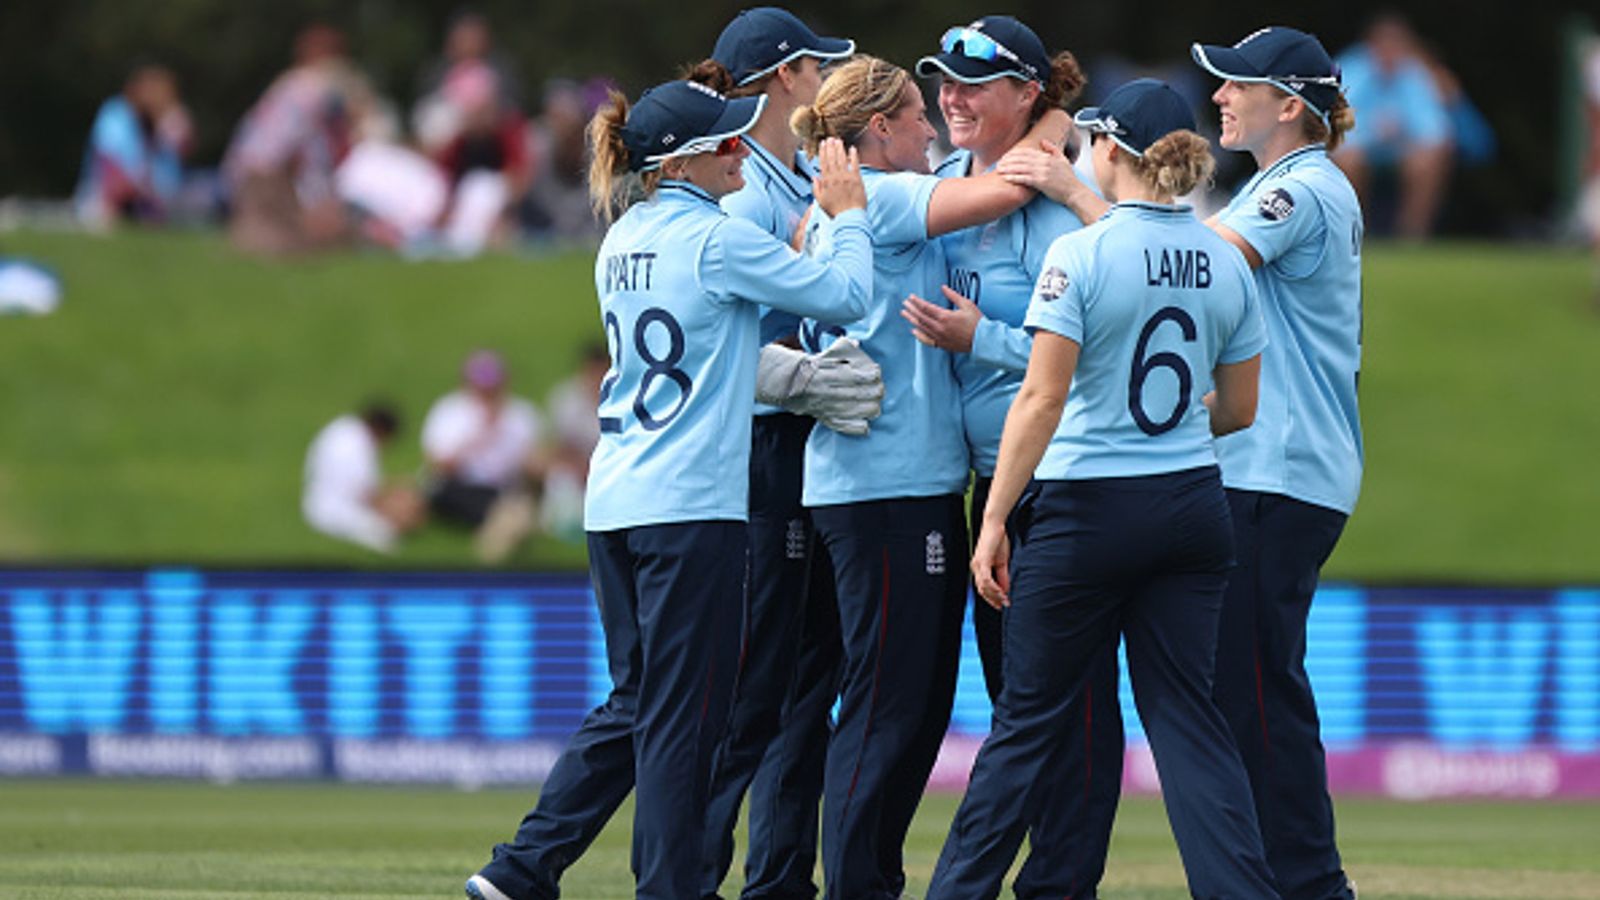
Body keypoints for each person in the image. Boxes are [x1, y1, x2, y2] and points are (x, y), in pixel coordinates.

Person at [464, 78, 876, 900]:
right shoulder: (715, 238)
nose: (740, 153)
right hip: (691, 510)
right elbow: (847, 296)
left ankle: (522, 869)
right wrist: (847, 213)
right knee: (686, 719)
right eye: (726, 143)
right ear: (684, 161)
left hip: (614, 502)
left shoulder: (621, 239)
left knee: (642, 700)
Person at [926, 78, 1275, 900]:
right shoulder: (1223, 259)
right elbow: (1241, 407)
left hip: (1086, 511)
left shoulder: (1079, 254)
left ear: (1111, 151)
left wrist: (996, 519)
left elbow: (1041, 399)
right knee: (1191, 727)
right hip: (1192, 504)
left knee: (1025, 729)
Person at [789, 54, 1069, 899]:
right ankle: (859, 890)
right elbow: (1013, 191)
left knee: (897, 708)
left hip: (875, 487)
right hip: (889, 492)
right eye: (917, 116)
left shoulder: (839, 207)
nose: (932, 128)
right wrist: (1055, 119)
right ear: (879, 131)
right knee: (888, 711)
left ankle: (864, 882)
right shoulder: (887, 196)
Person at [903, 17, 1123, 897]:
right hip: (977, 480)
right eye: (944, 81)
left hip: (1052, 479)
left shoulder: (1059, 186)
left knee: (1062, 704)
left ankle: (1061, 882)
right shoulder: (946, 179)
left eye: (973, 83)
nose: (951, 97)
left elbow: (1086, 343)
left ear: (1028, 93)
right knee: (1016, 698)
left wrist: (978, 337)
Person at [682, 9, 858, 900]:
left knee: (806, 682)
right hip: (766, 450)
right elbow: (723, 350)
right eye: (819, 68)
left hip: (804, 447)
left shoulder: (787, 175)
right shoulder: (746, 188)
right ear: (785, 77)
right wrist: (797, 375)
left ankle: (780, 876)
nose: (831, 80)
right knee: (758, 686)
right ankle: (692, 874)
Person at [1191, 26, 1364, 900]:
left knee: (1258, 693)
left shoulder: (1301, 189)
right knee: (1244, 688)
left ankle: (1307, 885)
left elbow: (1192, 268)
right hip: (1271, 472)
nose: (1219, 96)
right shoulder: (1282, 183)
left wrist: (1084, 194)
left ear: (1288, 103)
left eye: (1234, 84)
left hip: (1278, 472)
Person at [224, 23, 377, 256]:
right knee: (292, 242)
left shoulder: (289, 84)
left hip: (251, 170)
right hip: (270, 174)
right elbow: (300, 150)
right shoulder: (316, 87)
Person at [1332, 13, 1451, 238]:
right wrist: (1371, 130)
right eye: (1383, 44)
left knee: (1431, 157)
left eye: (1396, 45)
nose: (1390, 51)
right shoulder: (1349, 68)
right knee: (1347, 156)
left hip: (1401, 149)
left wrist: (1404, 133)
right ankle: (1352, 232)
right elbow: (1335, 121)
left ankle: (1411, 234)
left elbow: (1434, 130)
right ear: (1370, 45)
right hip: (1358, 145)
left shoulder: (1415, 73)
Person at [422, 350, 543, 563]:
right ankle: (504, 527)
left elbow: (535, 465)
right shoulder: (450, 411)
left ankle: (503, 528)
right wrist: (480, 436)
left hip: (503, 488)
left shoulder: (521, 415)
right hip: (459, 487)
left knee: (515, 502)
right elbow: (439, 465)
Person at [75, 64, 192, 228]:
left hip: (147, 205)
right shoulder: (116, 115)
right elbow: (114, 178)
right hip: (106, 205)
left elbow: (175, 172)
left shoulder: (158, 126)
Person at [302, 402, 423, 554]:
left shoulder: (342, 427)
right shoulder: (359, 448)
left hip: (317, 499)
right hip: (336, 511)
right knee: (401, 522)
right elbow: (368, 495)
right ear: (382, 431)